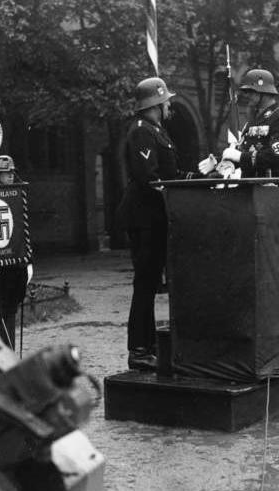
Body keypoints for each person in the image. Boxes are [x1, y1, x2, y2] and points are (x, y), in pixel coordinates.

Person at [117, 76, 183, 371]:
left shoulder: (157, 131)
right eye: (167, 100)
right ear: (157, 103)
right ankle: (139, 349)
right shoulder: (142, 132)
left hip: (154, 217)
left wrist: (195, 175)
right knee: (145, 283)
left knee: (149, 282)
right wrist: (178, 188)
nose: (170, 104)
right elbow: (151, 178)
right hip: (145, 218)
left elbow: (166, 172)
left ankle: (149, 345)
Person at [198, 68, 279, 178]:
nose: (247, 96)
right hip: (250, 185)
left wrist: (240, 157)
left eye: (251, 92)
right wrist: (218, 161)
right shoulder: (253, 121)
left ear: (264, 93)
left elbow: (274, 156)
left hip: (272, 187)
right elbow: (243, 151)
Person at [0, 161, 33, 349]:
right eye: (6, 173)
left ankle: (10, 352)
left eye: (12, 173)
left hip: (16, 264)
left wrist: (28, 260)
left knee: (11, 311)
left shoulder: (17, 196)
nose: (11, 176)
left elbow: (23, 230)